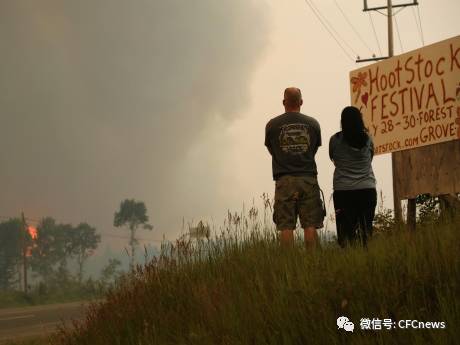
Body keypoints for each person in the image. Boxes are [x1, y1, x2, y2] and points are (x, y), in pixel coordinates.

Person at [264, 87, 325, 248]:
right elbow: (314, 149)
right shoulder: (313, 124)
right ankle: (313, 263)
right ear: (301, 102)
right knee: (310, 224)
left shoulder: (272, 125)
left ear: (284, 102)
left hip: (284, 180)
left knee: (285, 226)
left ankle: (287, 264)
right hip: (308, 178)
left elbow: (272, 150)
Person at [329, 106, 377, 247]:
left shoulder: (335, 140)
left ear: (342, 121)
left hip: (343, 192)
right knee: (366, 232)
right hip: (367, 190)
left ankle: (348, 261)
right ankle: (366, 262)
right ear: (360, 120)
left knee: (345, 235)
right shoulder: (368, 139)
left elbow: (333, 159)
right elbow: (370, 159)